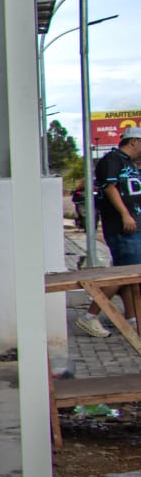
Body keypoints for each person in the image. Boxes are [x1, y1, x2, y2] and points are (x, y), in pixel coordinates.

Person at [76, 126, 141, 338]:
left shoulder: (129, 163)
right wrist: (125, 214)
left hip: (134, 226)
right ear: (134, 141)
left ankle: (132, 318)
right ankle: (90, 315)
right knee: (123, 275)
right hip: (123, 227)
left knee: (129, 275)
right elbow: (109, 187)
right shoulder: (112, 160)